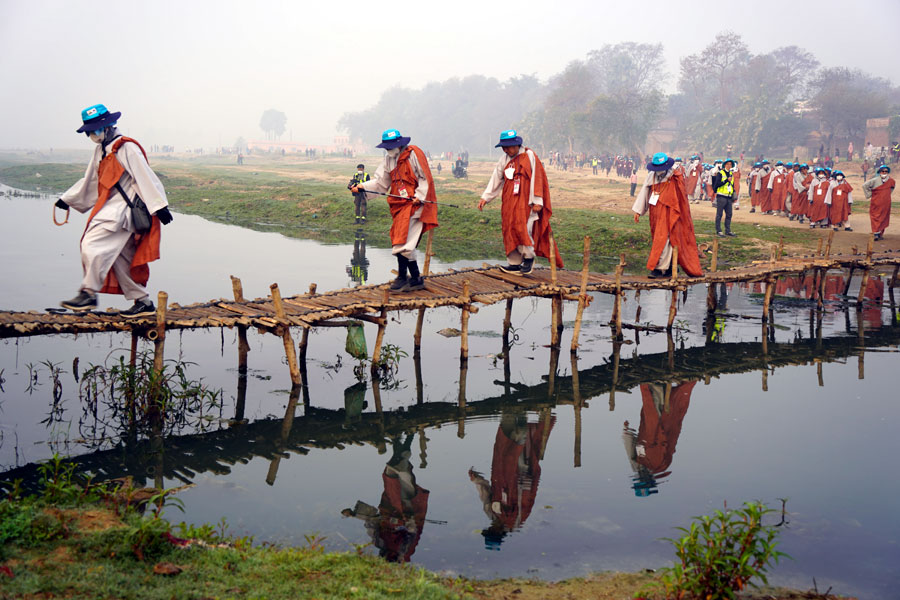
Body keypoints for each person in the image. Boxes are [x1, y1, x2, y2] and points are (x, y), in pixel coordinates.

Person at [55, 104, 173, 316]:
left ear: (108, 126)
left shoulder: (127, 148)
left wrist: (159, 206)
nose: (92, 135)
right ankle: (143, 303)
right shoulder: (101, 150)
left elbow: (145, 176)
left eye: (95, 130)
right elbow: (92, 180)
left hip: (122, 212)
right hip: (112, 209)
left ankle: (88, 293)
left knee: (91, 243)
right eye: (89, 131)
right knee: (121, 259)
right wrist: (68, 200)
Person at [352, 129, 438, 292]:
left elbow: (425, 178)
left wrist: (419, 196)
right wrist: (362, 186)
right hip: (399, 204)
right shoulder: (388, 160)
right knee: (403, 241)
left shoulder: (414, 154)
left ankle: (402, 277)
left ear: (399, 144)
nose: (388, 150)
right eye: (387, 147)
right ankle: (415, 278)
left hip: (415, 205)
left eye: (391, 146)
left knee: (403, 242)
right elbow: (381, 182)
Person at [478, 129, 562, 274]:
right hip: (509, 200)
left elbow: (537, 178)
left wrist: (537, 201)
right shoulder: (504, 159)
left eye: (508, 147)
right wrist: (485, 197)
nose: (506, 150)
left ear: (516, 145)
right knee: (509, 228)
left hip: (526, 200)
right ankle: (514, 262)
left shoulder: (529, 156)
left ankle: (528, 258)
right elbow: (496, 178)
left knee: (523, 228)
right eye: (504, 147)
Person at [468, 410, 554, 550]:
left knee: (503, 446)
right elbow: (525, 498)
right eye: (492, 531)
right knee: (521, 448)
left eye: (489, 530)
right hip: (518, 476)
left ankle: (511, 414)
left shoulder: (491, 514)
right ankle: (522, 419)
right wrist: (526, 476)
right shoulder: (514, 521)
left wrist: (476, 480)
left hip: (501, 472)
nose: (491, 528)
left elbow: (485, 494)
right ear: (499, 534)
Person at [342, 435, 429, 563]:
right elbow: (413, 531)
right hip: (409, 507)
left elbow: (371, 521)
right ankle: (407, 437)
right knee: (401, 472)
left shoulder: (378, 541)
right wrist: (406, 522)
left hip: (390, 503)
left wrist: (354, 514)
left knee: (390, 472)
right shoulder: (405, 549)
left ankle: (399, 439)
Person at [632, 152, 703, 279]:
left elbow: (682, 199)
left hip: (672, 213)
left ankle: (661, 269)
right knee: (659, 238)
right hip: (655, 213)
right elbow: (644, 193)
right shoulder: (651, 177)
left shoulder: (675, 177)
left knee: (668, 239)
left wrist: (680, 214)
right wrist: (638, 211)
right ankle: (668, 268)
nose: (659, 171)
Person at [862, 165, 894, 241]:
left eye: (886, 171)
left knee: (884, 217)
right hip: (876, 202)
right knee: (876, 216)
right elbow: (864, 186)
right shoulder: (874, 180)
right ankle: (875, 233)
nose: (884, 173)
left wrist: (886, 194)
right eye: (883, 171)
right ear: (879, 172)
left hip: (886, 203)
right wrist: (871, 194)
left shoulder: (891, 181)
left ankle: (880, 233)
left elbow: (892, 188)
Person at [711, 158, 738, 237]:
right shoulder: (720, 173)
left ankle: (728, 230)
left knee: (729, 214)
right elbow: (717, 184)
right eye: (728, 164)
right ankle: (719, 230)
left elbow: (732, 185)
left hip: (729, 197)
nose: (729, 166)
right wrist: (726, 180)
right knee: (719, 214)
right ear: (725, 165)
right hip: (721, 196)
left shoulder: (731, 173)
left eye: (730, 164)